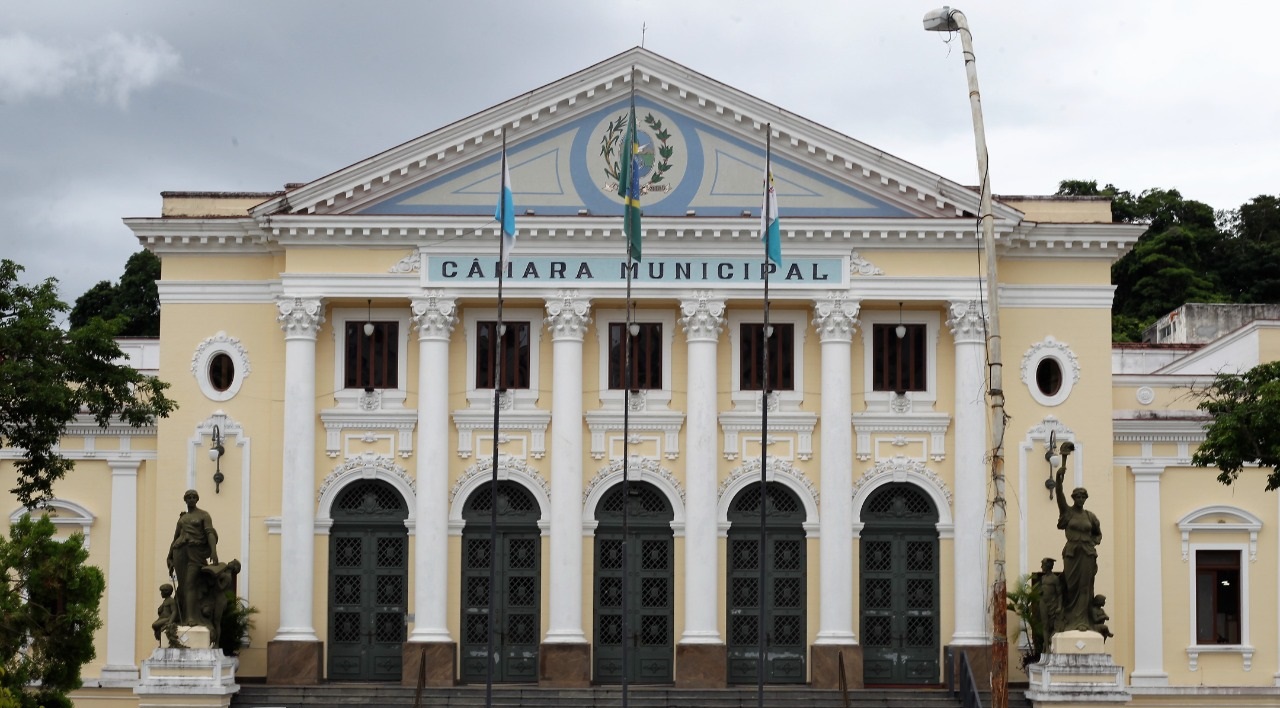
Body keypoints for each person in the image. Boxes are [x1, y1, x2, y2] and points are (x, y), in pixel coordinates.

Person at [1053, 442, 1102, 631]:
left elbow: (1098, 533)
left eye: (1083, 497)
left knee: (1085, 586)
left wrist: (1093, 541)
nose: (1081, 499)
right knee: (1070, 586)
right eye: (1078, 496)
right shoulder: (1068, 512)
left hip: (1088, 554)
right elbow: (1059, 494)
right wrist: (1059, 478)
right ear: (1074, 498)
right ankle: (1069, 619)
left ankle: (1082, 621)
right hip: (1072, 553)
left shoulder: (1091, 516)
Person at [167, 489, 219, 628]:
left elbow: (210, 533)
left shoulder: (203, 515)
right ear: (185, 499)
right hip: (180, 552)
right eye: (188, 497)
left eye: (193, 497)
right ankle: (183, 616)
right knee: (183, 586)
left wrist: (214, 551)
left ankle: (191, 617)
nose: (191, 499)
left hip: (196, 552)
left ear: (197, 499)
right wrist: (169, 557)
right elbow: (175, 538)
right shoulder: (182, 519)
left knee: (191, 583)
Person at [1038, 557, 1063, 639]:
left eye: (1043, 565)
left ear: (1048, 566)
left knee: (1053, 625)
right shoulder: (1042, 578)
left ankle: (1050, 642)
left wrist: (1059, 606)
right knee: (1045, 625)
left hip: (1052, 603)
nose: (1041, 567)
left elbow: (1059, 593)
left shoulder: (1055, 578)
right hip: (1043, 603)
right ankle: (1046, 647)